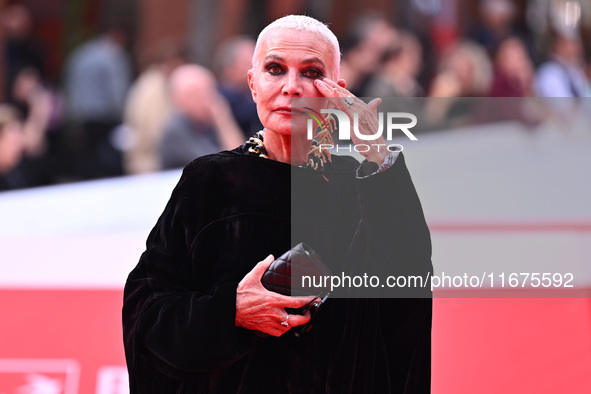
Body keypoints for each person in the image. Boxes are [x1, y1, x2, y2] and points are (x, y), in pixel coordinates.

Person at [123, 15, 432, 393]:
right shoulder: (211, 182)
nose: (291, 87)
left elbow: (409, 291)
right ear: (252, 84)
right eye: (274, 69)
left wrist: (379, 158)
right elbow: (146, 314)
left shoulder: (363, 184)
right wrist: (230, 312)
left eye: (311, 72)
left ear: (337, 89)